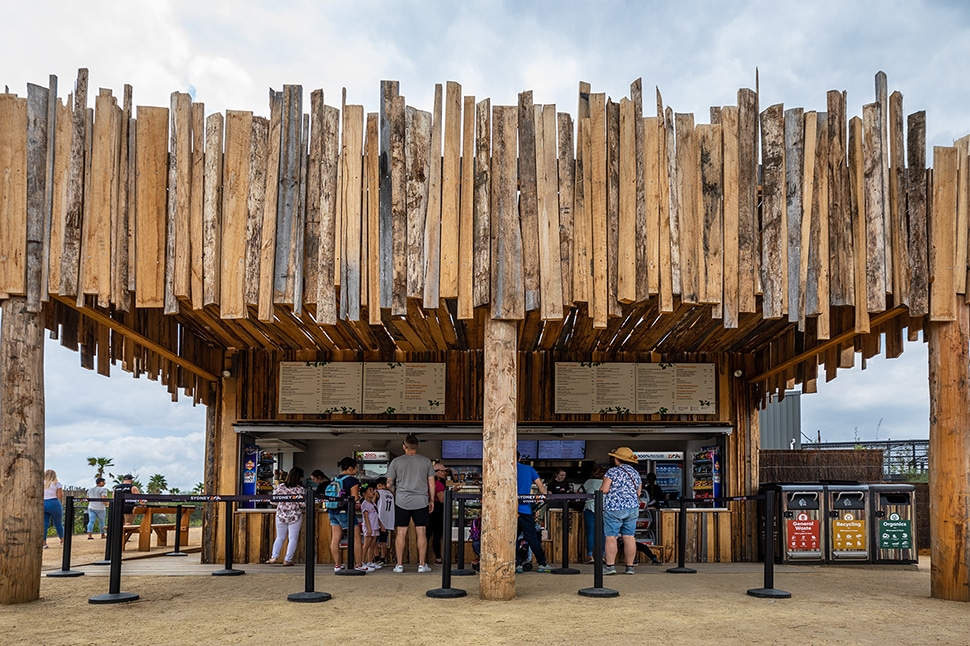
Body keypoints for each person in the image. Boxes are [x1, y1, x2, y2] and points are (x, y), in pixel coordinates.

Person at [385, 434, 435, 573]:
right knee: (421, 532)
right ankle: (421, 564)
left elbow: (388, 483)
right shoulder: (426, 461)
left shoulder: (396, 462)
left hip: (401, 500)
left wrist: (397, 492)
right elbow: (431, 483)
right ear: (417, 446)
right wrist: (431, 500)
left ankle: (399, 565)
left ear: (404, 446)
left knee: (401, 532)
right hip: (421, 500)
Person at [600, 447, 642, 575]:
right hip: (633, 508)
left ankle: (610, 566)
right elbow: (638, 493)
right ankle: (630, 567)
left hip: (614, 508)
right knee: (629, 537)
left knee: (611, 537)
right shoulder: (635, 473)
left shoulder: (612, 472)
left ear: (617, 459)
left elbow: (604, 489)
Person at [516, 452, 552, 573]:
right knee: (532, 538)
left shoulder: (504, 469)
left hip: (509, 511)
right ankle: (542, 563)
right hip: (525, 509)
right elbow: (541, 486)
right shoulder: (528, 469)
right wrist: (545, 496)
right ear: (520, 458)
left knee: (511, 539)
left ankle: (516, 564)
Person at [328, 457, 366, 572]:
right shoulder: (352, 481)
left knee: (335, 538)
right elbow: (354, 497)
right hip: (345, 511)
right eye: (355, 468)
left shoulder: (335, 478)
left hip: (332, 510)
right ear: (350, 468)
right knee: (356, 538)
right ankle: (359, 564)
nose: (356, 470)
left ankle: (337, 565)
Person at [267, 466, 305, 566]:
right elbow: (303, 504)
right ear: (299, 477)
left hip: (281, 515)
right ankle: (287, 560)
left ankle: (274, 557)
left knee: (280, 537)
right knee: (292, 538)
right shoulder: (300, 489)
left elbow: (272, 501)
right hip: (295, 516)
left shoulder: (280, 487)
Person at [579, 466, 606, 563]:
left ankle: (590, 556)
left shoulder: (588, 482)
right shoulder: (605, 482)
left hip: (589, 508)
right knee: (603, 533)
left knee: (590, 532)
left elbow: (578, 493)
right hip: (603, 509)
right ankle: (602, 555)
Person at [429, 460, 448, 565]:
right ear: (436, 472)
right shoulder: (439, 484)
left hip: (428, 510)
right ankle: (438, 558)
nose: (444, 473)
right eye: (442, 471)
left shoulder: (428, 483)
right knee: (437, 535)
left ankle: (421, 560)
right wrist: (451, 493)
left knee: (426, 535)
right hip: (438, 511)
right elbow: (442, 499)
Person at [359, 483, 381, 570]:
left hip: (375, 526)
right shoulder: (365, 504)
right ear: (364, 493)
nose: (373, 492)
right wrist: (369, 528)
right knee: (366, 545)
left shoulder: (373, 503)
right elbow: (366, 517)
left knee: (372, 545)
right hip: (369, 527)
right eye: (370, 490)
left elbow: (376, 515)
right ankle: (361, 562)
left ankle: (370, 561)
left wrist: (381, 525)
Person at [375, 476, 395, 565]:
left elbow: (372, 504)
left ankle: (376, 557)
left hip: (379, 519)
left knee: (374, 540)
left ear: (379, 485)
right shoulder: (391, 494)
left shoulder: (377, 493)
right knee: (383, 541)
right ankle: (383, 558)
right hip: (388, 519)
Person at [43, 469, 64, 548]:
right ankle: (62, 539)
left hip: (43, 503)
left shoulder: (42, 483)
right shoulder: (57, 484)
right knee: (58, 523)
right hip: (54, 503)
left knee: (44, 524)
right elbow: (59, 496)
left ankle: (43, 542)